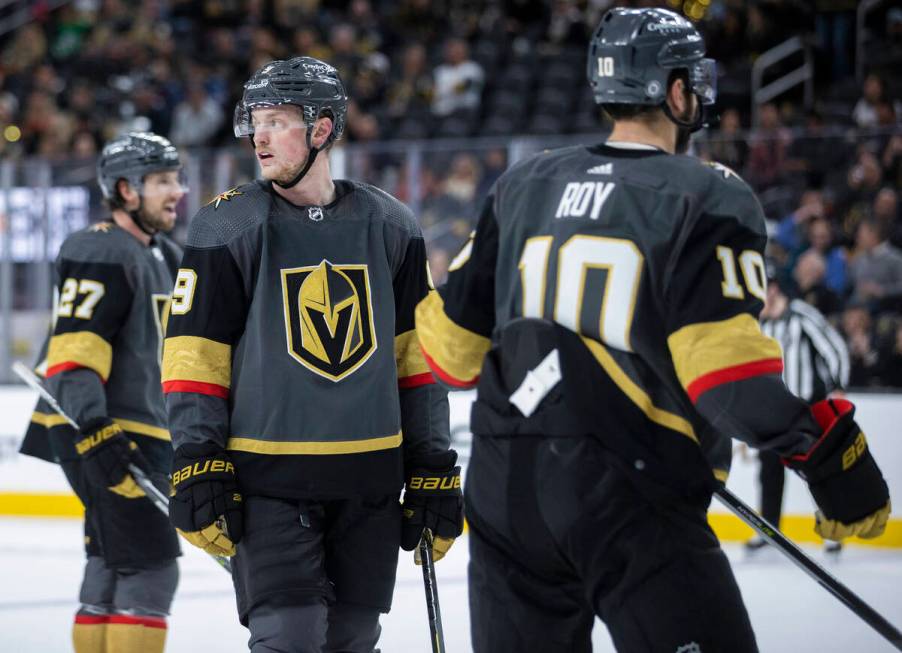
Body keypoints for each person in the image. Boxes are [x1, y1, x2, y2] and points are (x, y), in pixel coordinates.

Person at [414, 8, 890, 653]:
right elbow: (726, 383)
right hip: (630, 492)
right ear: (673, 91)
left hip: (506, 492)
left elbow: (449, 355)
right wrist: (829, 454)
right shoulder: (707, 193)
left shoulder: (526, 183)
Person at [161, 57, 463, 653]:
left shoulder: (391, 224)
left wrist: (432, 463)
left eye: (276, 121)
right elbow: (194, 357)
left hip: (370, 480)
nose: (259, 137)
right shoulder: (227, 225)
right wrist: (198, 454)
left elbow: (417, 361)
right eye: (255, 123)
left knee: (353, 639)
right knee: (289, 638)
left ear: (322, 129)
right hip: (268, 481)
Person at [19, 132, 186, 653]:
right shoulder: (101, 248)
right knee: (152, 566)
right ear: (126, 190)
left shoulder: (165, 253)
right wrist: (94, 427)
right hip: (107, 432)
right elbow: (73, 352)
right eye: (161, 180)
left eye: (175, 178)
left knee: (112, 560)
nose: (176, 191)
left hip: (138, 429)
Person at [747, 270, 850, 555]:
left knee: (815, 468)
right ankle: (769, 530)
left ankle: (832, 529)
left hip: (804, 407)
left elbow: (835, 348)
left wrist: (838, 385)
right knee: (768, 472)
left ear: (774, 290)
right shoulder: (756, 323)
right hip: (770, 409)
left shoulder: (801, 315)